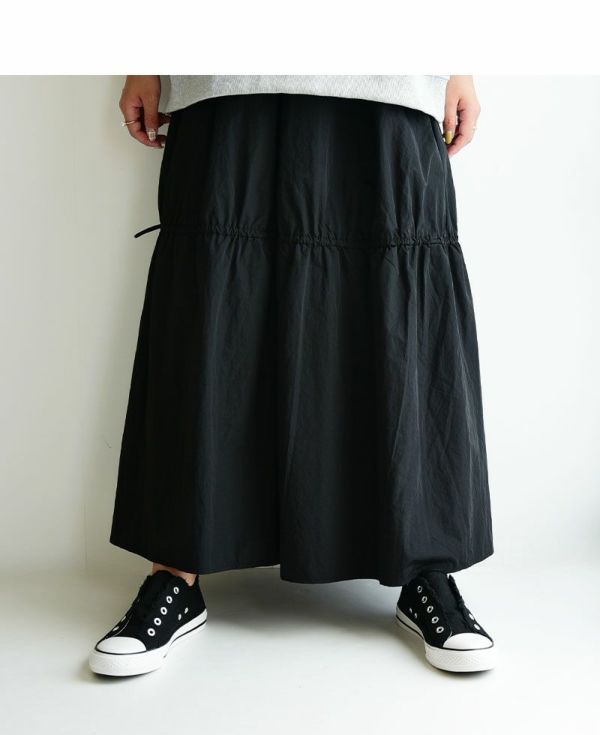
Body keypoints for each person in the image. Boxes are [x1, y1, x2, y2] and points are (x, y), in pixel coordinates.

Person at [88, 75, 496, 678]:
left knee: (399, 306)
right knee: (210, 304)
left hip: (389, 70)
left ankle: (426, 567)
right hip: (224, 66)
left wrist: (457, 63)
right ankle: (174, 571)